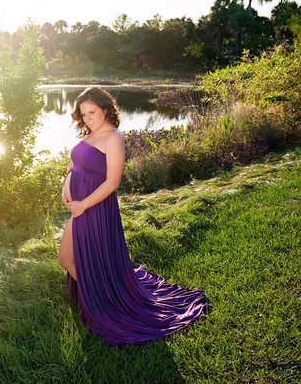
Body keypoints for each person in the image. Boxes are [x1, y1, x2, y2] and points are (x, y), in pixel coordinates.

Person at [58, 87, 207, 345]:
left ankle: (103, 301)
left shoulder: (113, 137)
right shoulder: (90, 134)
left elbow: (112, 182)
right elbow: (77, 165)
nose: (88, 118)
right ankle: (98, 294)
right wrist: (66, 182)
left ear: (105, 108)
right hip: (80, 205)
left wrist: (83, 206)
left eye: (92, 112)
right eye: (83, 114)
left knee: (66, 258)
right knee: (71, 257)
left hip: (95, 207)